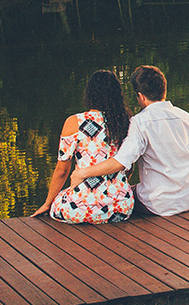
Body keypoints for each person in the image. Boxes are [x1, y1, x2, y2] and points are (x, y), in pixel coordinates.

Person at [68, 64, 189, 216]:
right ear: (164, 90)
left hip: (159, 204)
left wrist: (82, 173)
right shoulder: (187, 118)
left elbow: (121, 162)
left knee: (121, 198)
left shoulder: (140, 122)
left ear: (141, 96)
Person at [32, 69, 135, 224]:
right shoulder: (127, 121)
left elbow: (62, 171)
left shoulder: (75, 122)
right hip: (121, 207)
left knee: (59, 200)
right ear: (116, 95)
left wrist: (47, 204)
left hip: (83, 208)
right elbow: (130, 166)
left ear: (90, 94)